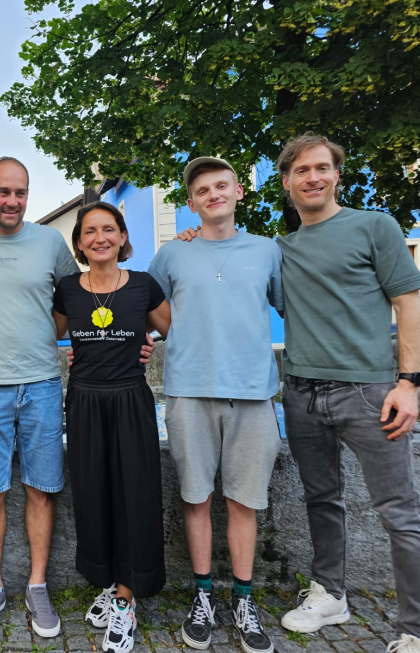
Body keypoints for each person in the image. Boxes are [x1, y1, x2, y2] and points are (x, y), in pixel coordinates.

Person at [271, 134, 420, 653]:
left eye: (322, 168)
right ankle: (331, 595)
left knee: (400, 512)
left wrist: (409, 383)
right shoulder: (281, 249)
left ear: (337, 174)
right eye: (302, 171)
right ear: (287, 182)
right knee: (322, 499)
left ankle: (416, 630)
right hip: (300, 391)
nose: (313, 177)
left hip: (369, 393)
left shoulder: (374, 226)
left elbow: (409, 304)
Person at [155, 157, 284, 653]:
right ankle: (204, 594)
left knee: (244, 499)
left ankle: (244, 598)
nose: (213, 195)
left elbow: (286, 304)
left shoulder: (267, 250)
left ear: (238, 193)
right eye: (202, 190)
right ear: (191, 203)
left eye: (221, 186)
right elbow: (145, 304)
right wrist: (170, 336)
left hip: (253, 392)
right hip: (188, 390)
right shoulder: (171, 254)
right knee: (195, 496)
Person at [0, 156, 82, 639]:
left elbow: (74, 298)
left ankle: (37, 584)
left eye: (20, 192)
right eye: (4, 192)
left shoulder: (50, 243)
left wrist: (45, 337)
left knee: (41, 487)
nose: (12, 201)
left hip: (43, 384)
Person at [51, 201, 170, 653]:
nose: (99, 237)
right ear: (80, 243)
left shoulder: (143, 286)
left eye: (108, 229)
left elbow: (171, 330)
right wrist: (76, 352)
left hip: (129, 400)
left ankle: (127, 597)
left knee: (134, 495)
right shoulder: (68, 289)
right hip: (83, 400)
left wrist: (149, 345)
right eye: (89, 232)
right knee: (92, 494)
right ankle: (106, 581)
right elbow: (57, 333)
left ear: (122, 236)